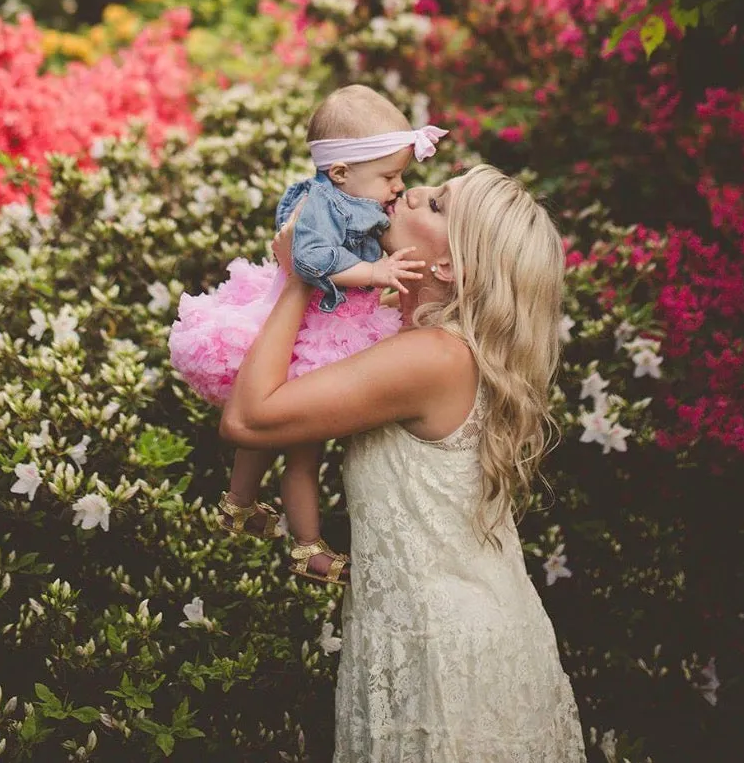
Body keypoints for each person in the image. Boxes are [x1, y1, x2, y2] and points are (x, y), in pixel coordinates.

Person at [220, 165, 587, 761]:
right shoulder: (423, 338)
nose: (414, 191)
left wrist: (298, 276)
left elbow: (249, 418)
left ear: (446, 266)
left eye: (438, 205)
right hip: (432, 634)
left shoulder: (432, 357)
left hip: (443, 656)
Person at [169, 85, 447, 584]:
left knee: (296, 444)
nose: (399, 188)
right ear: (340, 172)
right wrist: (376, 274)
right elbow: (311, 258)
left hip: (325, 323)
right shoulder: (324, 203)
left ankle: (254, 513)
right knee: (297, 444)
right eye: (390, 176)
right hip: (310, 329)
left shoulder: (349, 197)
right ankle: (297, 540)